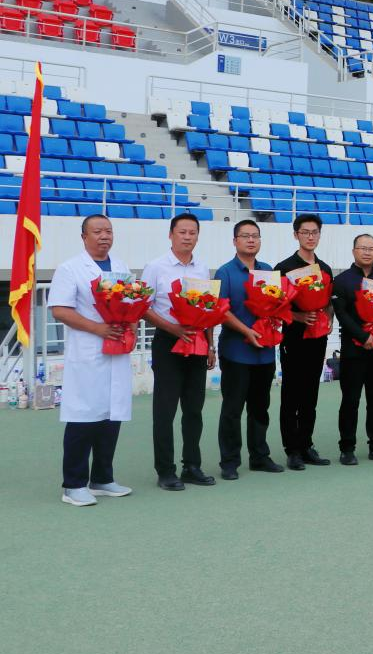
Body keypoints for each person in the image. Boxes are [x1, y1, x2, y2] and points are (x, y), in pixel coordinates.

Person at [49, 215, 135, 506]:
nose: (104, 236)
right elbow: (60, 309)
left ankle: (102, 478)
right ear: (84, 236)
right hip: (88, 350)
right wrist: (97, 328)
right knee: (83, 417)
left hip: (117, 349)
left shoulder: (121, 267)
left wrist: (130, 324)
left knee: (112, 415)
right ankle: (73, 484)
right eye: (97, 231)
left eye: (108, 231)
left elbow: (130, 303)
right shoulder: (70, 268)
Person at [141, 212, 216, 490]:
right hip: (168, 342)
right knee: (165, 410)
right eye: (182, 232)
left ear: (198, 236)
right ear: (171, 235)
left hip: (197, 341)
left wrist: (210, 344)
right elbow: (142, 306)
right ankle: (165, 470)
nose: (187, 237)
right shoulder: (155, 267)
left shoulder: (202, 268)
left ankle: (192, 466)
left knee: (194, 409)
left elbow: (208, 309)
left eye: (192, 233)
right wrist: (173, 329)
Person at [216, 219, 284, 479]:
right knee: (232, 409)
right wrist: (246, 331)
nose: (251, 240)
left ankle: (259, 456)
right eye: (245, 236)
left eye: (255, 235)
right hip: (236, 351)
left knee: (260, 408)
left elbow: (276, 304)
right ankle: (229, 462)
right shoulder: (225, 272)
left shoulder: (268, 271)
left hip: (264, 352)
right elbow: (221, 311)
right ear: (235, 241)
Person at [331, 234, 373, 465]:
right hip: (353, 351)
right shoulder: (342, 281)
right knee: (350, 401)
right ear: (354, 251)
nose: (367, 252)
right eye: (363, 248)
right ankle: (347, 448)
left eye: (372, 248)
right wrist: (363, 336)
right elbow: (342, 315)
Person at [275, 213, 334, 470]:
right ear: (296, 235)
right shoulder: (284, 268)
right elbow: (274, 306)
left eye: (314, 232)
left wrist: (328, 319)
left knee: (311, 393)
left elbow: (329, 302)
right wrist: (299, 316)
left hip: (317, 339)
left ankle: (307, 445)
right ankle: (292, 450)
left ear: (319, 235)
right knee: (291, 394)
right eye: (305, 232)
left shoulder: (325, 269)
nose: (310, 237)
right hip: (293, 339)